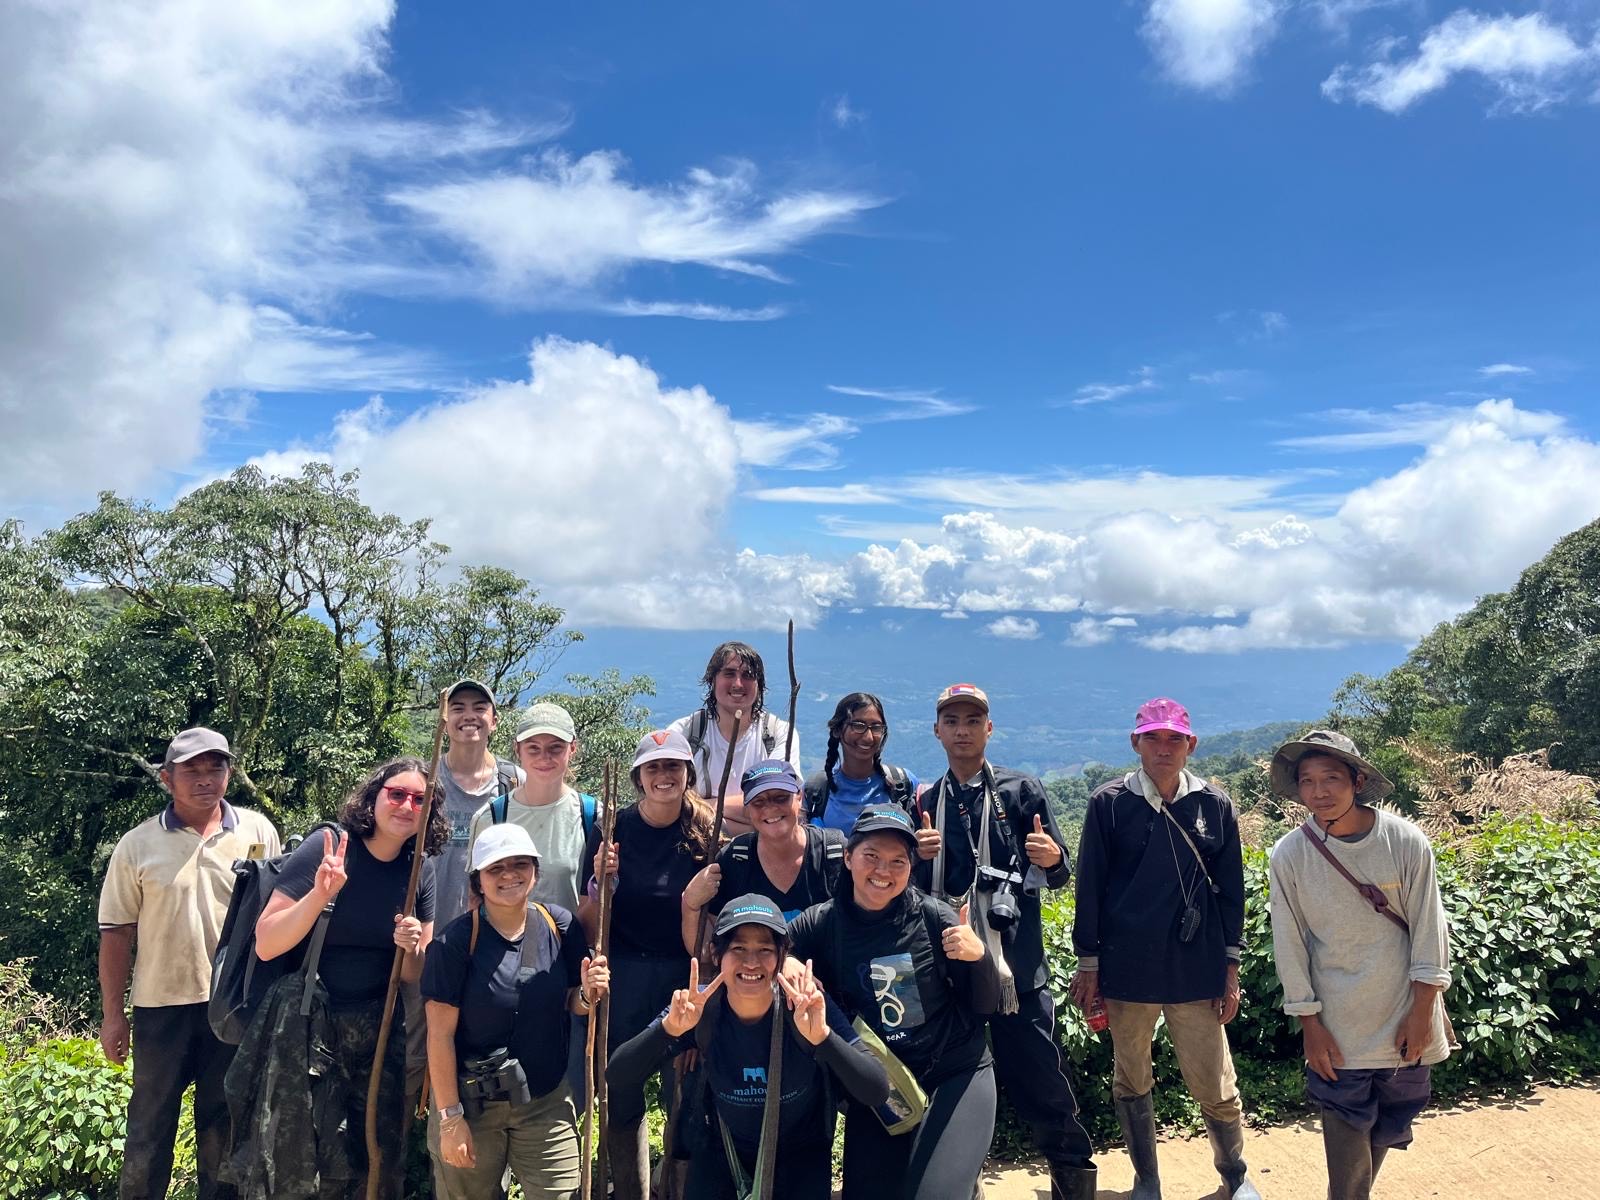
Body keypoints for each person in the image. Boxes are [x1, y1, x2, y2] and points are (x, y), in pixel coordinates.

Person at [1067, 698, 1261, 1200]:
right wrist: (1089, 964)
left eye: (1174, 738)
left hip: (1195, 966)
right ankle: (1146, 1179)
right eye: (1152, 737)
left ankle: (1234, 1174)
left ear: (1191, 744)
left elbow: (1232, 892)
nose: (1163, 748)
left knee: (1214, 1080)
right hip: (1127, 967)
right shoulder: (1109, 804)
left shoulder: (1214, 805)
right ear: (1135, 743)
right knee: (1132, 1077)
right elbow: (1089, 887)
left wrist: (1231, 967)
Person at [913, 684, 1097, 1200]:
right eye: (952, 721)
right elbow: (903, 888)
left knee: (1040, 1075)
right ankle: (959, 1184)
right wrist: (917, 854)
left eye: (973, 720)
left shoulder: (1022, 791)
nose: (963, 730)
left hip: (1017, 963)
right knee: (954, 1083)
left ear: (989, 728)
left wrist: (1052, 858)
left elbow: (1061, 874)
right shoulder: (926, 801)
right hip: (952, 970)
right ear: (937, 731)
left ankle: (1072, 1177)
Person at [1267, 730, 1453, 1200]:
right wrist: (1309, 1022)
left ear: (1358, 779)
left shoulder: (1406, 842)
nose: (1319, 791)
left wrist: (1421, 1013)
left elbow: (1431, 931)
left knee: (1391, 1120)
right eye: (1307, 781)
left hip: (1403, 1014)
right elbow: (1290, 944)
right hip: (1337, 1022)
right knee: (1345, 1124)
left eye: (1331, 778)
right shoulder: (1290, 854)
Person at [97, 727, 280, 1200]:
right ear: (166, 778)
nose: (205, 779)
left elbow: (280, 916)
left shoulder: (257, 832)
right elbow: (116, 933)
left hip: (234, 1007)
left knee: (224, 1128)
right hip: (161, 1008)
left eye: (215, 767)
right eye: (191, 770)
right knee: (149, 1128)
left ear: (229, 772)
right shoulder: (137, 845)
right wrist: (113, 1015)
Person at [612, 894, 890, 1200]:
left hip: (801, 1156)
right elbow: (619, 1075)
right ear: (716, 955)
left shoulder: (806, 1006)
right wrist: (669, 1031)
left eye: (765, 950)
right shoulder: (700, 1006)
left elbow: (876, 1090)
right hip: (722, 1151)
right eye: (738, 949)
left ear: (783, 957)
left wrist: (824, 1038)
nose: (752, 962)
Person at [250, 757, 440, 1199]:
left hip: (380, 1031)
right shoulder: (329, 846)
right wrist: (320, 894)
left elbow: (414, 975)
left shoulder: (420, 870)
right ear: (373, 798)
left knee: (376, 1154)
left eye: (419, 799)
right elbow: (267, 942)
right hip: (310, 1026)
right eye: (396, 794)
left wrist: (412, 947)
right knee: (304, 1156)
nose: (407, 806)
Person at [788, 806, 1000, 1200]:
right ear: (848, 857)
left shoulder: (935, 918)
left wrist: (979, 958)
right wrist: (790, 963)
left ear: (910, 869)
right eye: (871, 856)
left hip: (955, 1073)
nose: (883, 871)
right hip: (881, 1085)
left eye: (897, 861)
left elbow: (984, 1006)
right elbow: (777, 948)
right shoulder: (823, 922)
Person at [422, 823, 610, 1200]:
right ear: (478, 881)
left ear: (536, 871)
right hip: (472, 1105)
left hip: (545, 1100)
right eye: (496, 868)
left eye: (520, 864)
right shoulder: (454, 943)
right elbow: (439, 1035)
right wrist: (449, 1120)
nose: (509, 875)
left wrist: (588, 996)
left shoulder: (560, 925)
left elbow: (570, 999)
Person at [582, 729, 718, 1200]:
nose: (664, 775)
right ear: (639, 776)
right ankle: (631, 1190)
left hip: (684, 977)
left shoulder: (706, 830)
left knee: (683, 1093)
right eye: (654, 767)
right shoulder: (611, 830)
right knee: (621, 1089)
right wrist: (603, 881)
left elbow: (715, 923)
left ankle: (677, 1189)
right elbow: (592, 915)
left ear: (688, 773)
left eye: (673, 766)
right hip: (625, 973)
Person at [469, 700, 597, 1106]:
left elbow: (595, 898)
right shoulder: (493, 815)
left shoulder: (590, 814)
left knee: (567, 1088)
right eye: (534, 747)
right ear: (517, 750)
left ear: (572, 750)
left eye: (555, 747)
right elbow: (474, 897)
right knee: (500, 1085)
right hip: (499, 967)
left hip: (568, 967)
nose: (545, 757)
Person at [681, 759, 845, 952]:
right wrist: (689, 904)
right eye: (759, 802)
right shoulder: (735, 861)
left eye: (781, 797)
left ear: (799, 797)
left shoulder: (834, 853)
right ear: (747, 808)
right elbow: (709, 952)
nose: (770, 808)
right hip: (758, 978)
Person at [669, 641, 801, 838]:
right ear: (712, 680)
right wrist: (750, 821)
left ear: (759, 685)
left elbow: (779, 805)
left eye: (748, 676)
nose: (738, 684)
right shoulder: (685, 733)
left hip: (760, 854)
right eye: (729, 674)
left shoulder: (778, 732)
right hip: (695, 854)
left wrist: (698, 807)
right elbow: (665, 801)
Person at [803, 692, 920, 833]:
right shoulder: (816, 790)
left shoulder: (903, 784)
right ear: (837, 730)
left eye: (876, 727)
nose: (868, 737)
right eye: (858, 726)